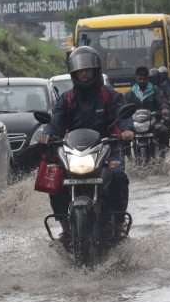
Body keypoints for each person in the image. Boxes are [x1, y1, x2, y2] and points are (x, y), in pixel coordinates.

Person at [40, 46, 135, 240]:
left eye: (87, 70)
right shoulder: (66, 99)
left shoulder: (110, 96)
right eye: (80, 71)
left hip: (108, 148)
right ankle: (65, 225)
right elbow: (55, 122)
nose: (84, 75)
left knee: (117, 176)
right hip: (75, 151)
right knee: (54, 178)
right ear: (74, 74)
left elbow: (122, 115)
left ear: (96, 71)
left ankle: (117, 222)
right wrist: (48, 134)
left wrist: (127, 130)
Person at [126, 66, 170, 150]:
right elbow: (125, 106)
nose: (142, 81)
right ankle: (126, 154)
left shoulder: (155, 90)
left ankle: (164, 151)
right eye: (140, 79)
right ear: (136, 79)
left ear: (148, 79)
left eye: (144, 79)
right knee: (124, 136)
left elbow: (162, 101)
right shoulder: (131, 93)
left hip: (153, 120)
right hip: (136, 123)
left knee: (164, 130)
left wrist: (164, 108)